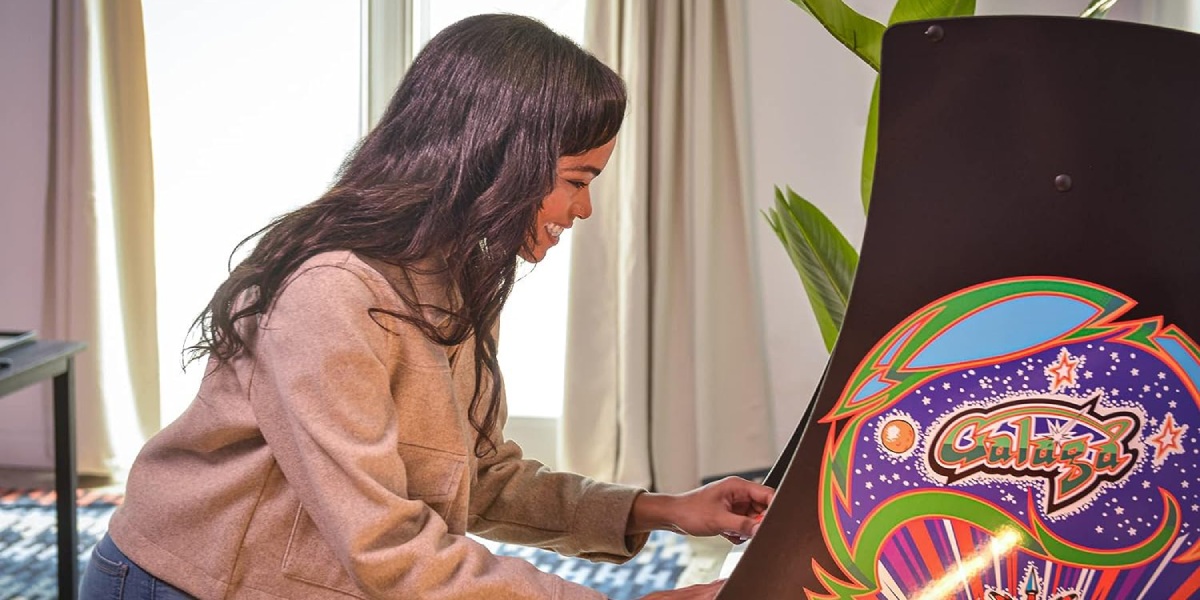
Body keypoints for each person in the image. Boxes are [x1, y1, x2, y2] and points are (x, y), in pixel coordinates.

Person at [80, 13, 772, 600]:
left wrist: (667, 509)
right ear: (501, 157)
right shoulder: (332, 293)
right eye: (576, 180)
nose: (583, 209)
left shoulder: (452, 276)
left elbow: (480, 477)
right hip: (183, 582)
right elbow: (386, 547)